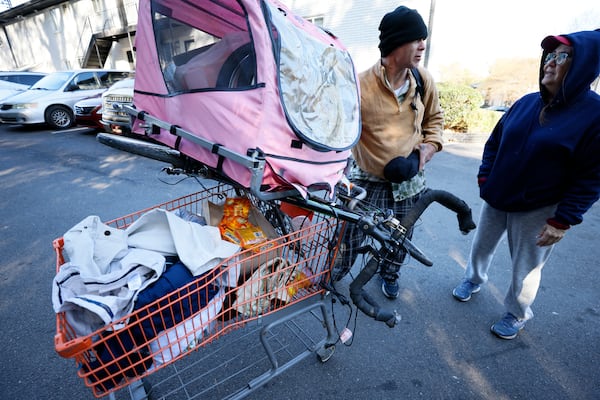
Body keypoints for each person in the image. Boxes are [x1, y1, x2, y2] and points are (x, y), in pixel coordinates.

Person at [452, 30, 600, 339]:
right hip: (497, 196)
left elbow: (591, 176)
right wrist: (485, 177)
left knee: (527, 267)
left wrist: (563, 220)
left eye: (562, 56)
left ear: (584, 64)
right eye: (549, 55)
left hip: (539, 207)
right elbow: (494, 142)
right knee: (481, 247)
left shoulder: (593, 115)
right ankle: (474, 279)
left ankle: (517, 312)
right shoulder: (525, 102)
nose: (550, 62)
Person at [331, 6, 444, 299]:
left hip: (410, 181)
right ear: (396, 44)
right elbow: (338, 132)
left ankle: (390, 273)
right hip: (366, 180)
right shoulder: (360, 86)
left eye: (424, 39)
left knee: (400, 236)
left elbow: (435, 121)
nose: (422, 45)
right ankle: (334, 274)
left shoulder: (423, 80)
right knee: (349, 236)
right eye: (416, 39)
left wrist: (426, 151)